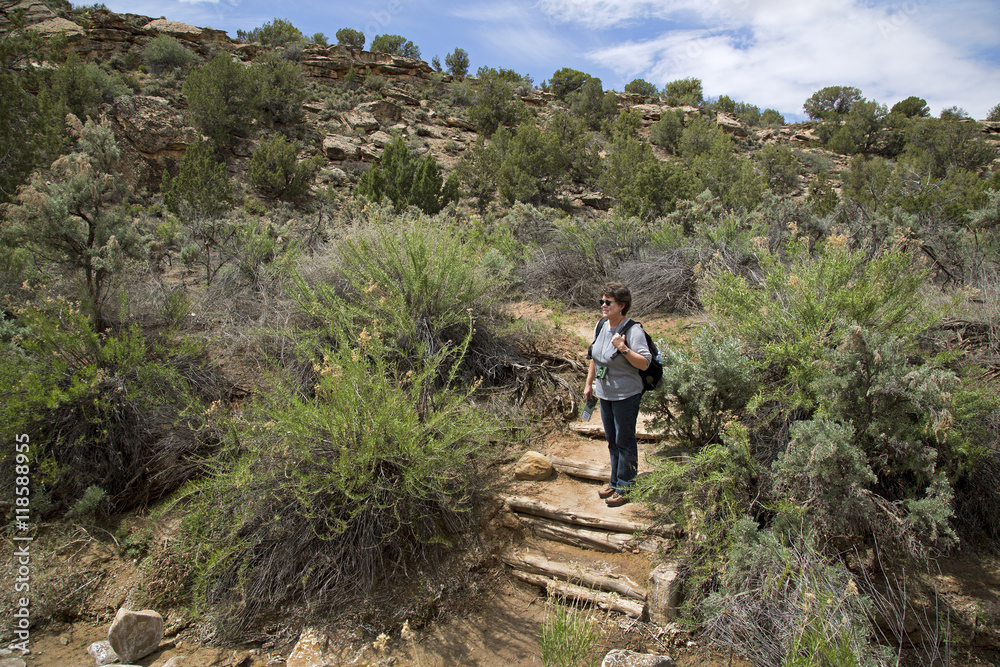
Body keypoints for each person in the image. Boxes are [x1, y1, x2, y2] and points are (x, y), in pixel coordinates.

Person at [583, 283, 651, 507]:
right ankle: (615, 481)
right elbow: (594, 355)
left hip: (626, 394)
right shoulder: (601, 325)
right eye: (602, 301)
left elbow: (643, 363)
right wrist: (589, 383)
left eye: (608, 302)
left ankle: (626, 485)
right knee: (612, 439)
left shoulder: (633, 330)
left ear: (622, 306)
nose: (603, 305)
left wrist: (623, 348)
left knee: (625, 439)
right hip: (605, 393)